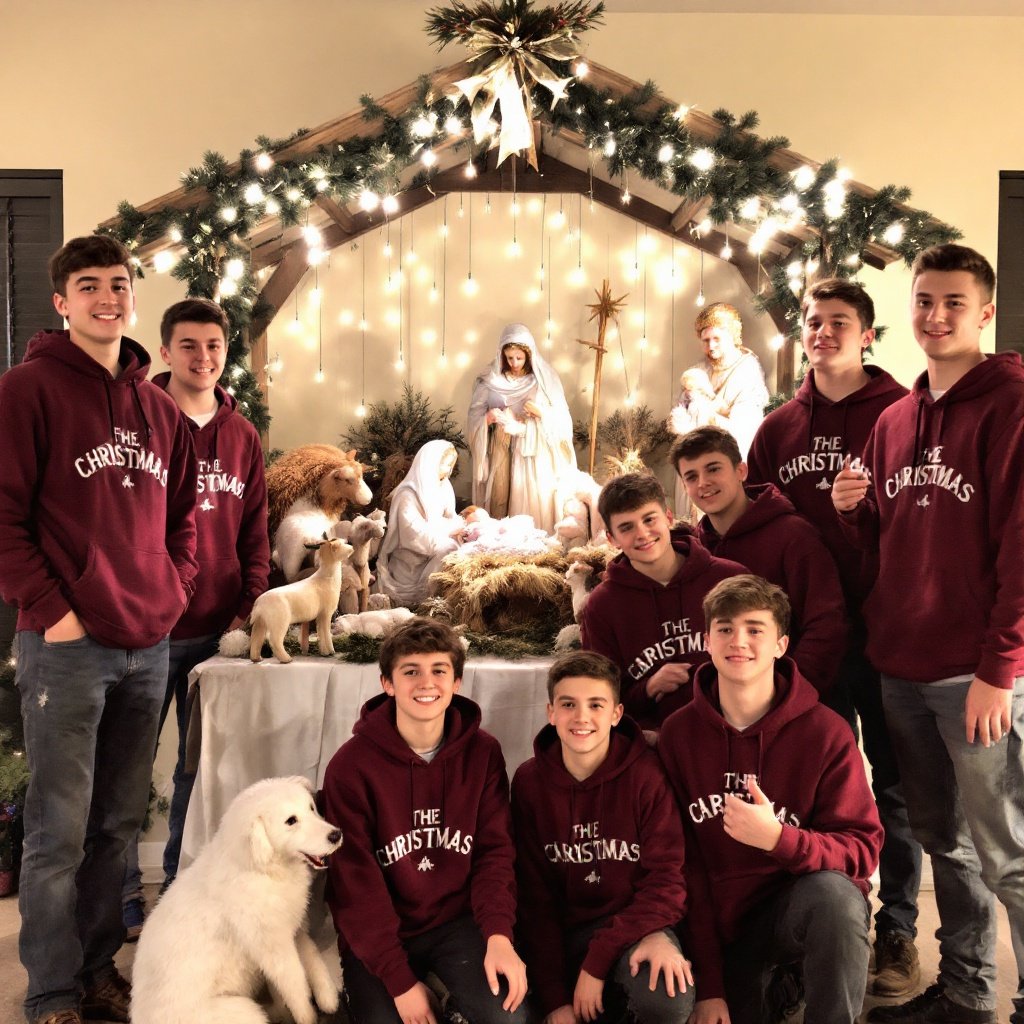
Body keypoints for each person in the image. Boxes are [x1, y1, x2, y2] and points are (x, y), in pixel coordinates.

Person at [0, 235, 199, 1024]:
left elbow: (186, 520)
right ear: (62, 301)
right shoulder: (27, 391)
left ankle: (92, 972)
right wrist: (56, 614)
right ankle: (51, 992)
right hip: (67, 648)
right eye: (89, 287)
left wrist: (171, 593)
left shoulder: (157, 408)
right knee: (57, 833)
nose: (107, 299)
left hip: (146, 643)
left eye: (118, 285)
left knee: (117, 825)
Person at [832, 244, 1024, 1024]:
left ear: (983, 313)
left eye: (953, 302)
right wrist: (856, 514)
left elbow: (1021, 543)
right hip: (901, 671)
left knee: (1007, 852)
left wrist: (999, 668)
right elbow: (889, 551)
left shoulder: (1013, 405)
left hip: (974, 677)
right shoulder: (893, 420)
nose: (935, 316)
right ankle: (967, 991)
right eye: (923, 301)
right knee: (948, 844)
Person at [746, 278, 922, 998]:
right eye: (814, 322)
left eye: (839, 322)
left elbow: (926, 524)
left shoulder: (906, 414)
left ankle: (899, 934)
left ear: (869, 334)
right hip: (807, 649)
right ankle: (822, 931)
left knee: (897, 791)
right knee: (813, 792)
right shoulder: (778, 428)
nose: (823, 333)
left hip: (887, 638)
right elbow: (750, 526)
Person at [659, 575, 883, 1024]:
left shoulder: (826, 731)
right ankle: (778, 987)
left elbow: (862, 849)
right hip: (716, 928)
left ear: (782, 644)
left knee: (836, 897)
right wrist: (712, 985)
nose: (737, 641)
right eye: (724, 628)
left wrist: (780, 838)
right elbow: (680, 865)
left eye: (754, 629)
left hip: (792, 913)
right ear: (706, 640)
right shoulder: (678, 735)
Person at [121, 298, 270, 932]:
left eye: (213, 346)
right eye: (188, 345)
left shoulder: (241, 436)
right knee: (126, 771)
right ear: (165, 352)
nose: (202, 357)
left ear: (225, 352)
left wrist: (247, 608)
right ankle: (122, 894)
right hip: (145, 632)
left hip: (218, 635)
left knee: (195, 771)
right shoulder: (137, 422)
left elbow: (255, 531)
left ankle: (180, 887)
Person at [321, 616, 529, 1024]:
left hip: (458, 922)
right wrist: (399, 983)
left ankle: (452, 1000)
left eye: (439, 670)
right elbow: (353, 885)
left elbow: (494, 854)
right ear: (388, 683)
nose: (426, 683)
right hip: (384, 930)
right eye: (410, 671)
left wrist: (499, 936)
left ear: (456, 683)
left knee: (509, 1016)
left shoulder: (483, 753)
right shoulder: (350, 766)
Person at [512, 649, 694, 1024]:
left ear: (616, 714)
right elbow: (534, 899)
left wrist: (599, 962)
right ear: (550, 713)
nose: (582, 717)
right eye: (568, 704)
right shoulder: (530, 783)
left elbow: (666, 884)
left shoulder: (647, 776)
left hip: (634, 927)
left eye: (596, 705)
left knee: (667, 996)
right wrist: (555, 1001)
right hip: (565, 936)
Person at [672, 424, 846, 694]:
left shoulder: (793, 535)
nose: (703, 483)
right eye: (691, 476)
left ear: (741, 471)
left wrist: (786, 691)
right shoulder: (697, 548)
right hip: (726, 704)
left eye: (713, 468)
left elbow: (827, 624)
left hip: (798, 697)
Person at [579, 472, 746, 730]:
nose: (642, 533)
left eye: (649, 519)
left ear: (668, 517)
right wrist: (648, 688)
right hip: (653, 743)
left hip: (734, 730)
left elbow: (768, 660)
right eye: (626, 527)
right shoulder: (602, 605)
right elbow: (599, 696)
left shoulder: (731, 578)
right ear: (611, 539)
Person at [467, 322, 576, 534]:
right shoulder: (490, 379)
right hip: (499, 447)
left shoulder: (543, 380)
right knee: (500, 497)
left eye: (519, 358)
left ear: (529, 355)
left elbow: (562, 419)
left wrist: (540, 413)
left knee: (526, 499)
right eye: (509, 358)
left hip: (531, 453)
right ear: (502, 355)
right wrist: (487, 419)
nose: (515, 363)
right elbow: (475, 415)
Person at [669, 303, 768, 463]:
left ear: (732, 337)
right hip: (694, 454)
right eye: (706, 340)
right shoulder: (701, 370)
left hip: (727, 457)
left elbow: (745, 429)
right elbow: (682, 410)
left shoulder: (748, 371)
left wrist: (707, 416)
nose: (711, 346)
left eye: (716, 339)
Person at [375, 439, 464, 608]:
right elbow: (415, 536)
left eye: (451, 465)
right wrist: (450, 528)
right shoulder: (407, 494)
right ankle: (428, 599)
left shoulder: (444, 486)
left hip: (435, 543)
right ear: (429, 464)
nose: (448, 470)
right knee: (449, 548)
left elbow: (451, 517)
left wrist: (458, 528)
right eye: (444, 465)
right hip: (412, 557)